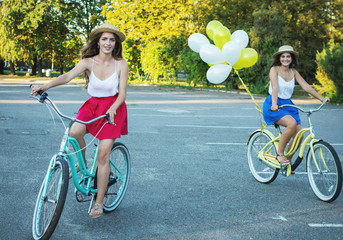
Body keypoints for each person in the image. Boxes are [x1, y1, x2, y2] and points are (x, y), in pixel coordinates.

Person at [31, 23, 129, 218]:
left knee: (102, 156)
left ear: (115, 43)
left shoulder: (121, 64)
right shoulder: (88, 61)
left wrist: (112, 108)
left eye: (112, 39)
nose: (108, 43)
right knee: (74, 133)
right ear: (98, 42)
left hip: (113, 109)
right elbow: (67, 76)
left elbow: (123, 94)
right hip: (92, 106)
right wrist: (44, 86)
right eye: (104, 39)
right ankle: (81, 163)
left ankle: (99, 203)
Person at [263, 45, 329, 170]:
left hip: (288, 105)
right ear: (279, 58)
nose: (286, 59)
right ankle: (279, 154)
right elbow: (275, 87)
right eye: (283, 56)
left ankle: (287, 163)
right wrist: (274, 104)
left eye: (288, 56)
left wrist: (321, 98)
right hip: (274, 103)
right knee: (291, 123)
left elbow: (306, 86)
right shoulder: (274, 69)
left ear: (292, 59)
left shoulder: (294, 72)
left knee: (300, 135)